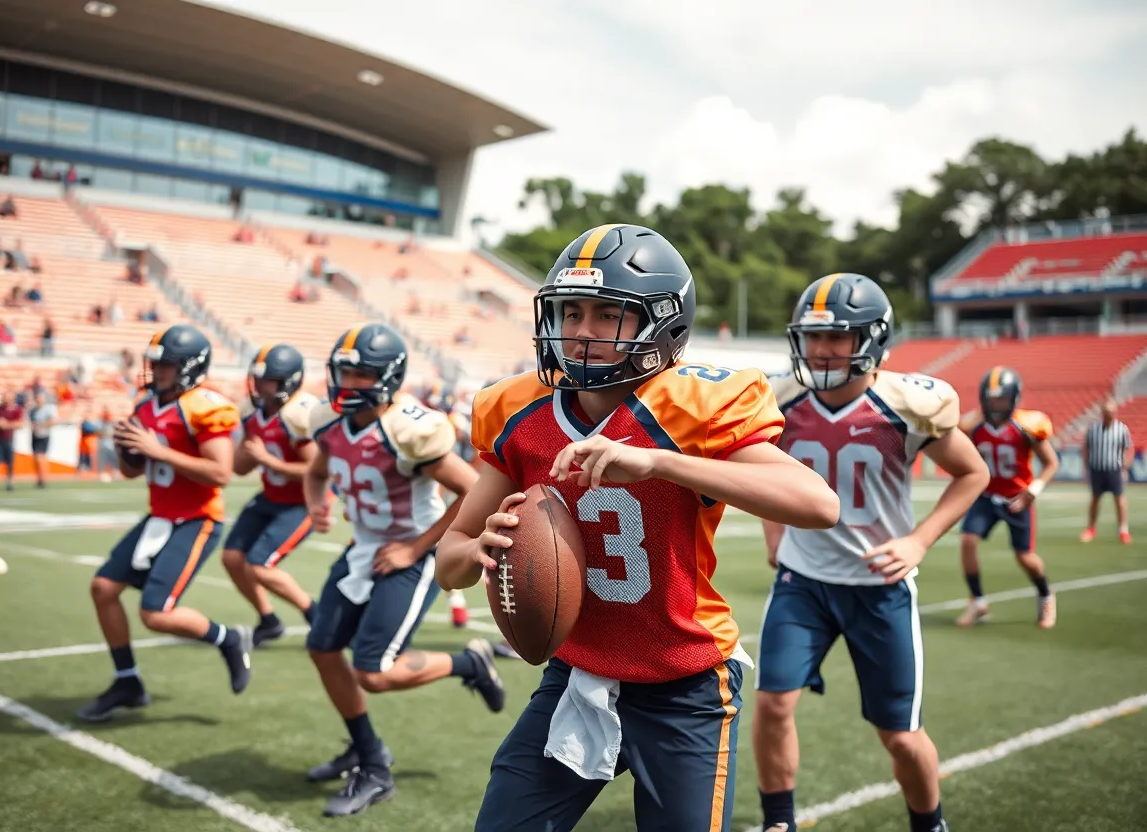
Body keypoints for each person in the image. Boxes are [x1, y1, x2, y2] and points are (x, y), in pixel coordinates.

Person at [436, 224, 841, 832]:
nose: (581, 331)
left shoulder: (691, 407)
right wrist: (478, 552)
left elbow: (818, 504)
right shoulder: (518, 412)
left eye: (607, 314)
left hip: (684, 681)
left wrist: (661, 463)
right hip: (576, 673)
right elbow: (450, 560)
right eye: (571, 311)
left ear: (662, 325)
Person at [753, 273, 990, 832]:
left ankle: (929, 824)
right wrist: (773, 532)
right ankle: (779, 822)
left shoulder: (906, 406)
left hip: (879, 587)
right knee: (772, 705)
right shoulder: (779, 401)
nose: (821, 349)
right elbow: (760, 471)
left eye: (836, 336)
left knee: (900, 735)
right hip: (804, 582)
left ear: (872, 339)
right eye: (812, 336)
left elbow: (972, 472)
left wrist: (918, 540)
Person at [302, 322, 506, 818]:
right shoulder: (327, 422)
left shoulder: (409, 430)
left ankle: (469, 664)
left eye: (361, 375)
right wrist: (316, 503)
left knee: (372, 672)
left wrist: (415, 549)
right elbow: (316, 470)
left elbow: (472, 491)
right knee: (323, 647)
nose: (348, 383)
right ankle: (368, 756)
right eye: (343, 372)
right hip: (364, 548)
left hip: (412, 552)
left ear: (388, 378)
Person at [77, 325, 251, 722]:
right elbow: (131, 473)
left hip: (197, 519)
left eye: (166, 365)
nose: (156, 371)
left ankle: (229, 639)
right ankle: (127, 681)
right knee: (103, 588)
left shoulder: (204, 406)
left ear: (189, 367)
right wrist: (128, 450)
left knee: (156, 614)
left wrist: (158, 450)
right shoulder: (145, 406)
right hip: (159, 516)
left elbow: (221, 473)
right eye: (155, 364)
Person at [222, 344, 321, 646]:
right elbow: (239, 468)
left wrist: (267, 460)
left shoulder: (297, 415)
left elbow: (316, 471)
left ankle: (316, 615)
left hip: (303, 502)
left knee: (260, 565)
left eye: (268, 380)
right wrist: (246, 453)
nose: (259, 386)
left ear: (288, 382)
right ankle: (268, 620)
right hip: (271, 496)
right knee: (232, 557)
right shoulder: (253, 411)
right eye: (258, 378)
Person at [955, 367, 1059, 629]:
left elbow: (1051, 463)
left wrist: (1033, 490)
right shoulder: (972, 426)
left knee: (1025, 557)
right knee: (968, 540)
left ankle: (1046, 595)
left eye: (1001, 399)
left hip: (1017, 498)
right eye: (992, 400)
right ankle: (978, 602)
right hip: (987, 495)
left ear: (1014, 399)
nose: (996, 405)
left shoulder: (1026, 427)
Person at [1080, 397, 1133, 544]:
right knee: (1095, 498)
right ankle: (1091, 529)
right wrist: (1085, 467)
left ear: (1115, 413)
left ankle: (1123, 530)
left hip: (1114, 469)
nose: (1109, 415)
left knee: (1119, 499)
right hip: (1097, 469)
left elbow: (1129, 448)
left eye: (1111, 412)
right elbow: (1086, 448)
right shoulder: (1093, 429)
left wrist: (1125, 467)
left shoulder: (1122, 429)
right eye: (1106, 412)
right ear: (1102, 413)